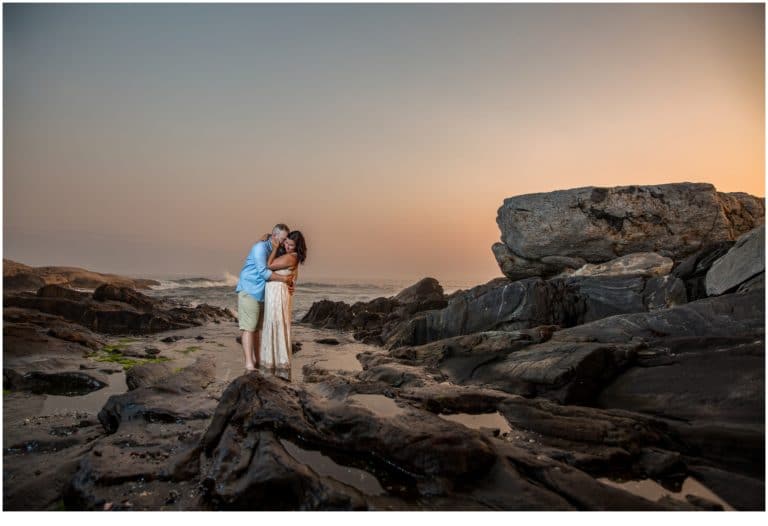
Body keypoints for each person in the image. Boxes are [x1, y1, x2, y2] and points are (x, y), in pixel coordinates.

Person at [235, 224, 295, 372]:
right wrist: (285, 280)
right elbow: (263, 272)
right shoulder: (260, 248)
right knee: (249, 328)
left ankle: (257, 360)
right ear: (274, 236)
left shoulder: (274, 248)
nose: (284, 243)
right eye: (282, 239)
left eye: (285, 239)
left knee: (256, 329)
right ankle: (249, 364)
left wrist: (291, 282)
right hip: (249, 289)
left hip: (263, 294)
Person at [260, 230, 307, 381]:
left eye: (291, 245)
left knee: (277, 322)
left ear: (297, 246)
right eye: (286, 242)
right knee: (275, 322)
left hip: (278, 294)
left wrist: (274, 248)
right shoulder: (293, 256)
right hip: (277, 292)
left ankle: (277, 361)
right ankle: (275, 359)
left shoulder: (291, 257)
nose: (287, 246)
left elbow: (269, 265)